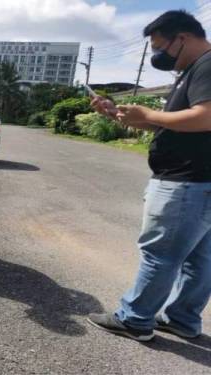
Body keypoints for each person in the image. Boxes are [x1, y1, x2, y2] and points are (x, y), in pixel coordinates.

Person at [87, 10, 211, 342]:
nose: (158, 55)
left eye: (159, 46)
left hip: (187, 180)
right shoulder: (191, 71)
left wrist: (150, 113)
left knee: (162, 253)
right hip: (198, 180)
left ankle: (135, 319)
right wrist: (120, 114)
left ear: (182, 38)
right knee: (198, 258)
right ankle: (182, 319)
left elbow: (206, 116)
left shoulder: (207, 66)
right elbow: (166, 122)